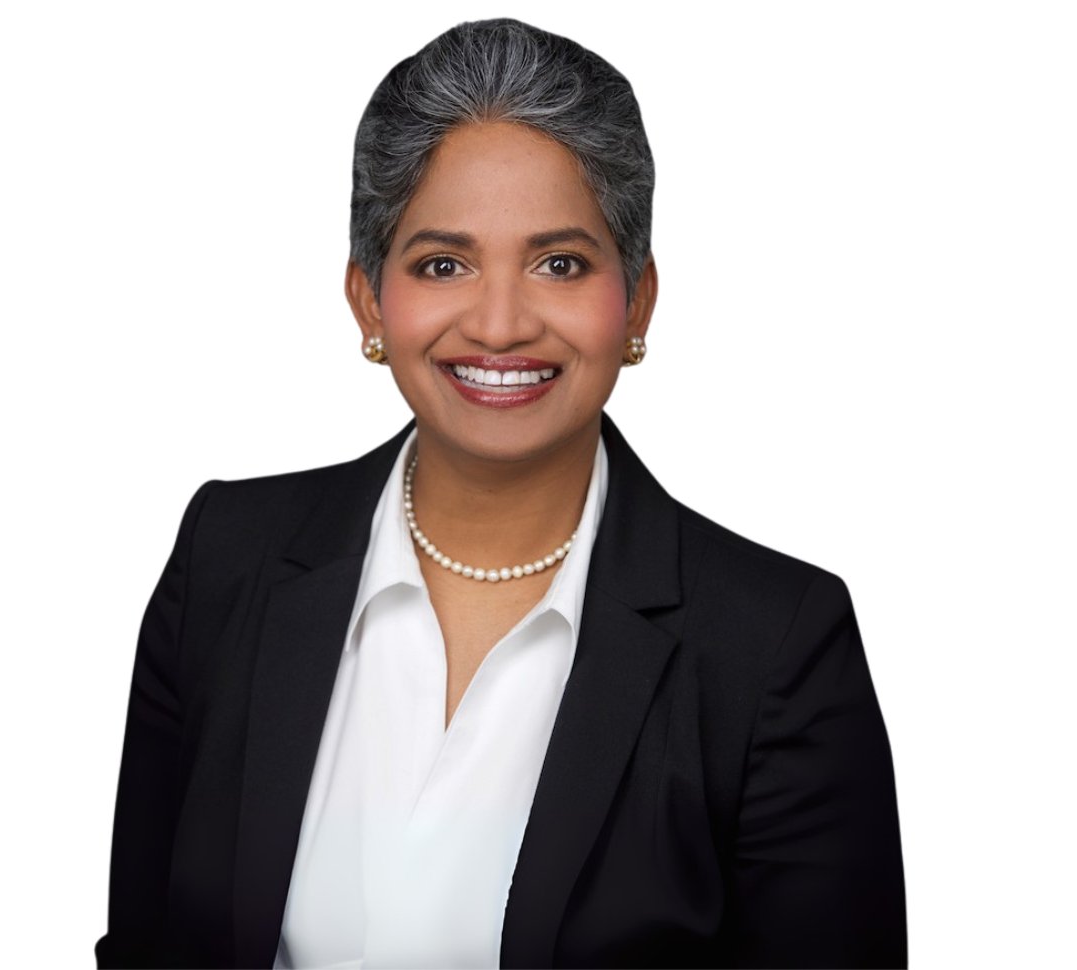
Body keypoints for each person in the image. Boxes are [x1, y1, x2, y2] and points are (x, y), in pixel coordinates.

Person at [98, 17, 904, 969]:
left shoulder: (773, 643)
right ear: (366, 299)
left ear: (639, 299)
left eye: (560, 263)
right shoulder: (223, 554)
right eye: (443, 263)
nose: (499, 323)